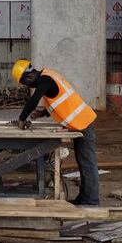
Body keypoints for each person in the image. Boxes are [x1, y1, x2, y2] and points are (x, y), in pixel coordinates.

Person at [11, 59, 99, 205]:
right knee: (83, 164)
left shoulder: (44, 80)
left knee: (87, 165)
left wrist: (22, 119)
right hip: (80, 124)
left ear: (28, 77)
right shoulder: (48, 76)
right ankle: (84, 199)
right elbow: (61, 101)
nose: (29, 86)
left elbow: (33, 100)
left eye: (26, 84)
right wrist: (42, 113)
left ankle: (92, 201)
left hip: (83, 123)